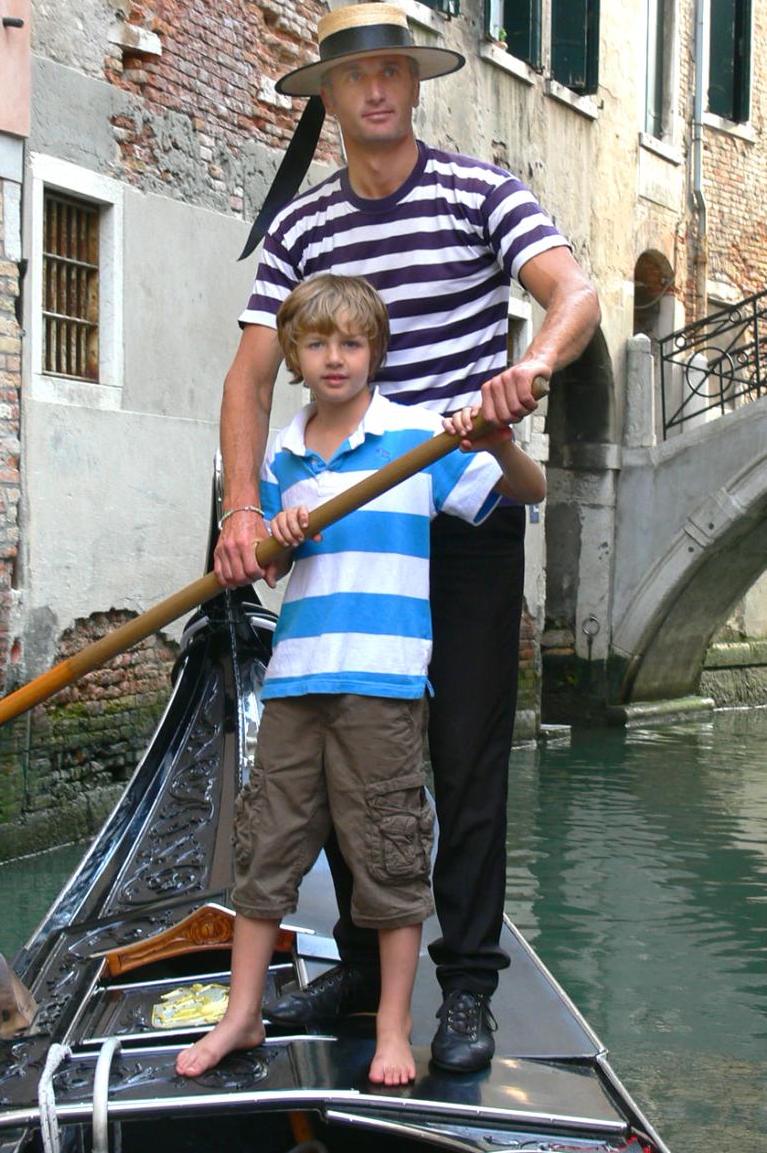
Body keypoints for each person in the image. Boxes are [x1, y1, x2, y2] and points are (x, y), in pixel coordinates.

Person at [215, 3, 600, 1072]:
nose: (376, 89)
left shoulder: (480, 191)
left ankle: (465, 980)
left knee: (464, 748)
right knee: (344, 735)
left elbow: (572, 292)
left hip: (464, 497)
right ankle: (353, 954)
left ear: (412, 86)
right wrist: (243, 509)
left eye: (391, 70)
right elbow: (248, 381)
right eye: (354, 76)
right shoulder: (299, 231)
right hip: (347, 509)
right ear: (327, 98)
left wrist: (534, 365)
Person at [177, 274, 546, 1086]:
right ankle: (241, 1016)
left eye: (350, 344)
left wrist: (496, 441)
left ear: (375, 352)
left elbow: (531, 491)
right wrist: (270, 535)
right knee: (264, 850)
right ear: (297, 359)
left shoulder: (420, 440)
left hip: (382, 686)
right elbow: (267, 574)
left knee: (388, 853)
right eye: (316, 344)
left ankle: (390, 1029)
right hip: (295, 682)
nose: (334, 358)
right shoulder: (282, 455)